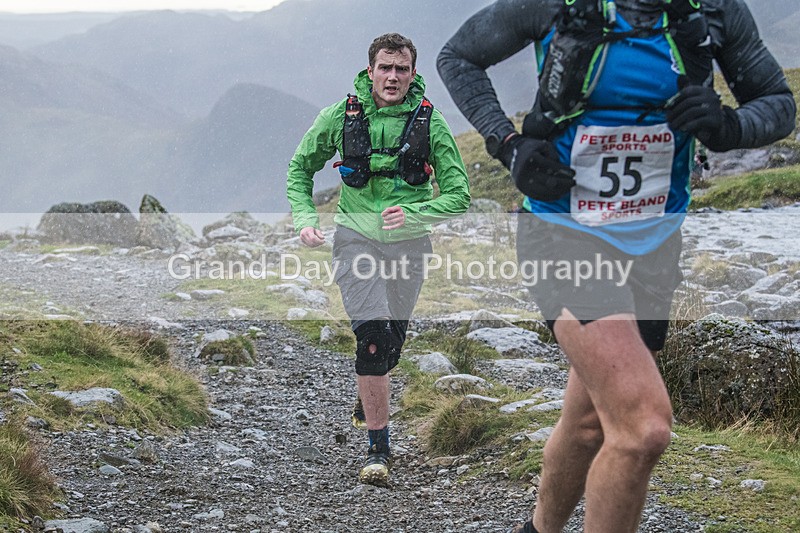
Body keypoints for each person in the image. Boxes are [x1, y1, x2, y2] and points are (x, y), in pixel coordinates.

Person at [438, 1, 794, 531]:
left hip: (655, 244)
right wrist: (509, 145)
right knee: (642, 425)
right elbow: (459, 56)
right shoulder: (555, 5)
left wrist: (727, 125)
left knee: (588, 424)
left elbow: (779, 104)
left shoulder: (709, 11)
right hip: (563, 234)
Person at [287, 32, 470, 487]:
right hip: (355, 240)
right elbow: (299, 169)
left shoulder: (432, 123)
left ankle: (371, 387)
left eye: (401, 69)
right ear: (370, 70)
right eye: (384, 68)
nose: (392, 77)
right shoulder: (339, 116)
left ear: (413, 73)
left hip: (410, 246)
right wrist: (305, 218)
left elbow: (460, 195)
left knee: (391, 344)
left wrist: (415, 211)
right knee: (372, 338)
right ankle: (378, 449)